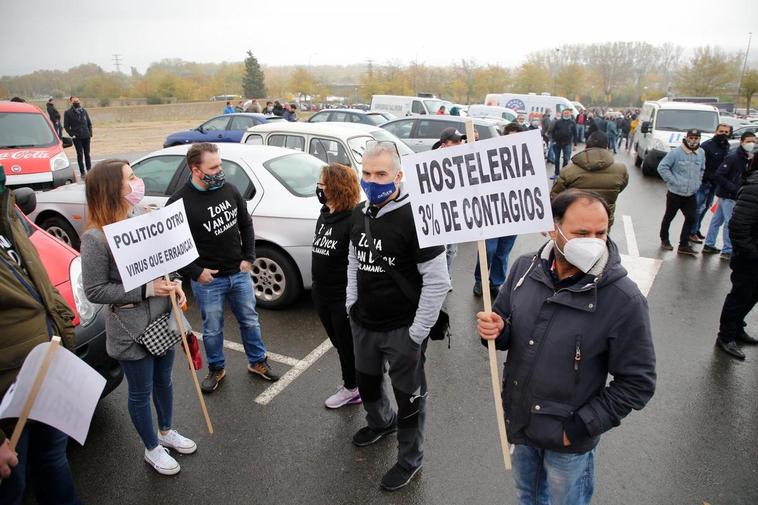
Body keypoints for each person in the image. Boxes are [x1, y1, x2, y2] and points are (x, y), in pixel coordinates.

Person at [477, 189, 656, 505]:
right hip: (521, 424)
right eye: (581, 233)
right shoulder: (523, 269)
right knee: (527, 496)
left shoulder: (623, 299)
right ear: (552, 228)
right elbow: (505, 329)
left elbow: (638, 382)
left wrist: (577, 428)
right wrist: (497, 329)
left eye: (601, 232)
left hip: (569, 442)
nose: (594, 242)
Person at [80, 159, 197, 475]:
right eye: (131, 177)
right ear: (111, 188)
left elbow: (165, 263)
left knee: (165, 381)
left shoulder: (142, 218)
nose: (138, 181)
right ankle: (152, 448)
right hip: (130, 330)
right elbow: (95, 290)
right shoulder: (95, 238)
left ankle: (167, 431)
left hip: (162, 320)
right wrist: (146, 290)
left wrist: (177, 286)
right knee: (141, 392)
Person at [347, 142, 450, 491]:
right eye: (367, 173)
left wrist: (417, 333)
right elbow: (353, 261)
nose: (372, 181)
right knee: (368, 384)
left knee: (410, 399)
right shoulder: (359, 213)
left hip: (403, 330)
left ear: (398, 175)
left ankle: (410, 459)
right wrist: (351, 305)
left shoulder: (419, 218)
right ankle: (380, 422)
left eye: (381, 174)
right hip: (364, 323)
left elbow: (438, 280)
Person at [166, 143, 279, 393]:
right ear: (195, 169)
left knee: (250, 321)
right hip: (208, 281)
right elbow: (172, 249)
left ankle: (257, 362)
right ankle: (216, 368)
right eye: (213, 166)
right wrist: (196, 272)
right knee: (213, 329)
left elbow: (246, 225)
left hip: (238, 273)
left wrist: (249, 257)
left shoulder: (230, 190)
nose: (220, 170)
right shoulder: (178, 203)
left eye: (220, 164)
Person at [0, 166, 82, 503]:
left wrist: (64, 337)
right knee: (13, 487)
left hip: (45, 374)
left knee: (53, 459)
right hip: (7, 398)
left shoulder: (9, 218)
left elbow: (40, 288)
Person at [312, 163, 362, 408]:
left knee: (346, 345)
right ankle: (353, 380)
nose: (318, 188)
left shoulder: (353, 220)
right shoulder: (324, 215)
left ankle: (353, 388)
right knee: (337, 342)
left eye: (322, 184)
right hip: (322, 293)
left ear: (335, 188)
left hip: (341, 297)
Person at [715, 154, 758, 360]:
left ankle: (737, 327)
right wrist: (751, 252)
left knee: (752, 295)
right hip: (749, 256)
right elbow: (739, 224)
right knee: (740, 295)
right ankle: (726, 336)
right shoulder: (754, 185)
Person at [473, 122, 519, 297]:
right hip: (491, 212)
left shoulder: (524, 160)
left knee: (502, 252)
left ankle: (495, 283)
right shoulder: (490, 157)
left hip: (513, 214)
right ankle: (480, 280)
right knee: (488, 249)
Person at [551, 131, 629, 228]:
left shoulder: (568, 171)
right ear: (607, 148)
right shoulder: (621, 170)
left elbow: (555, 196)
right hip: (603, 221)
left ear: (586, 147)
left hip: (575, 222)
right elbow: (621, 187)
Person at [702, 131, 756, 261]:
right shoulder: (734, 156)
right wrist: (734, 188)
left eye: (754, 141)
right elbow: (719, 175)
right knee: (729, 222)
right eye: (749, 141)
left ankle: (709, 244)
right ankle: (727, 250)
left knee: (717, 221)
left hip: (729, 195)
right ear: (742, 141)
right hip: (729, 195)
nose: (752, 144)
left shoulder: (748, 156)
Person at [657, 129, 705, 256]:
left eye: (696, 138)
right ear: (686, 138)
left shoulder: (701, 153)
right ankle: (664, 239)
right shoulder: (676, 153)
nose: (693, 140)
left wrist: (698, 183)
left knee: (691, 217)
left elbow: (702, 169)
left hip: (691, 193)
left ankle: (683, 244)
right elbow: (662, 167)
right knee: (669, 216)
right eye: (691, 137)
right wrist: (672, 181)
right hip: (675, 193)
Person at [431, 127, 467, 276]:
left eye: (461, 141)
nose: (460, 144)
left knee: (451, 250)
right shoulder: (429, 161)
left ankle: (447, 276)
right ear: (445, 144)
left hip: (455, 211)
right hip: (437, 213)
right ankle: (434, 279)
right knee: (436, 251)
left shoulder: (463, 159)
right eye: (456, 142)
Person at [690, 124, 733, 244]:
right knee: (698, 208)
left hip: (715, 184)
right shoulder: (707, 146)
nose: (723, 134)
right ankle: (691, 232)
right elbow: (700, 165)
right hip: (704, 182)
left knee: (705, 208)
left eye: (726, 132)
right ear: (716, 131)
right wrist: (709, 177)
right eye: (721, 131)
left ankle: (696, 229)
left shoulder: (726, 146)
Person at [63, 96, 93, 178]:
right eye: (74, 101)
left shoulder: (83, 111)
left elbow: (89, 123)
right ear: (71, 102)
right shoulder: (68, 113)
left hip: (86, 136)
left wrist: (90, 133)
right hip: (77, 137)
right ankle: (82, 172)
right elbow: (66, 126)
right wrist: (72, 134)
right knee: (80, 154)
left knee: (87, 154)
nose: (76, 102)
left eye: (77, 100)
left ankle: (89, 170)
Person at [549, 110, 577, 178]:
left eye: (567, 113)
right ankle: (556, 173)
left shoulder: (572, 123)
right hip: (557, 143)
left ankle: (563, 174)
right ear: (562, 114)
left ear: (570, 114)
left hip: (567, 143)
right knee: (556, 159)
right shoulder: (558, 122)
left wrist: (575, 144)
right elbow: (553, 131)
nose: (566, 114)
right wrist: (553, 141)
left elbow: (575, 134)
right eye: (565, 113)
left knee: (566, 159)